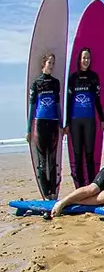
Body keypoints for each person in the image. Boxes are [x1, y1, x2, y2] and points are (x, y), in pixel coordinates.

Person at [66, 47, 104, 186]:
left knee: (89, 154)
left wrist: (102, 119)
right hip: (75, 121)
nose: (86, 60)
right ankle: (80, 187)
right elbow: (69, 102)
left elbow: (97, 100)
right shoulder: (73, 78)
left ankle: (92, 185)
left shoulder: (94, 77)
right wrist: (67, 123)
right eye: (84, 58)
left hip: (89, 121)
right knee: (77, 155)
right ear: (79, 59)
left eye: (88, 58)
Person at [27, 52, 63, 198]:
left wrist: (61, 124)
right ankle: (46, 194)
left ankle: (53, 193)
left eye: (53, 63)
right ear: (44, 64)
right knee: (42, 161)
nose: (51, 66)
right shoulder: (36, 83)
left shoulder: (56, 83)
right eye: (49, 63)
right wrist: (28, 129)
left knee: (52, 160)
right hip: (40, 124)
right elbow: (32, 107)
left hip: (53, 123)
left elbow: (57, 105)